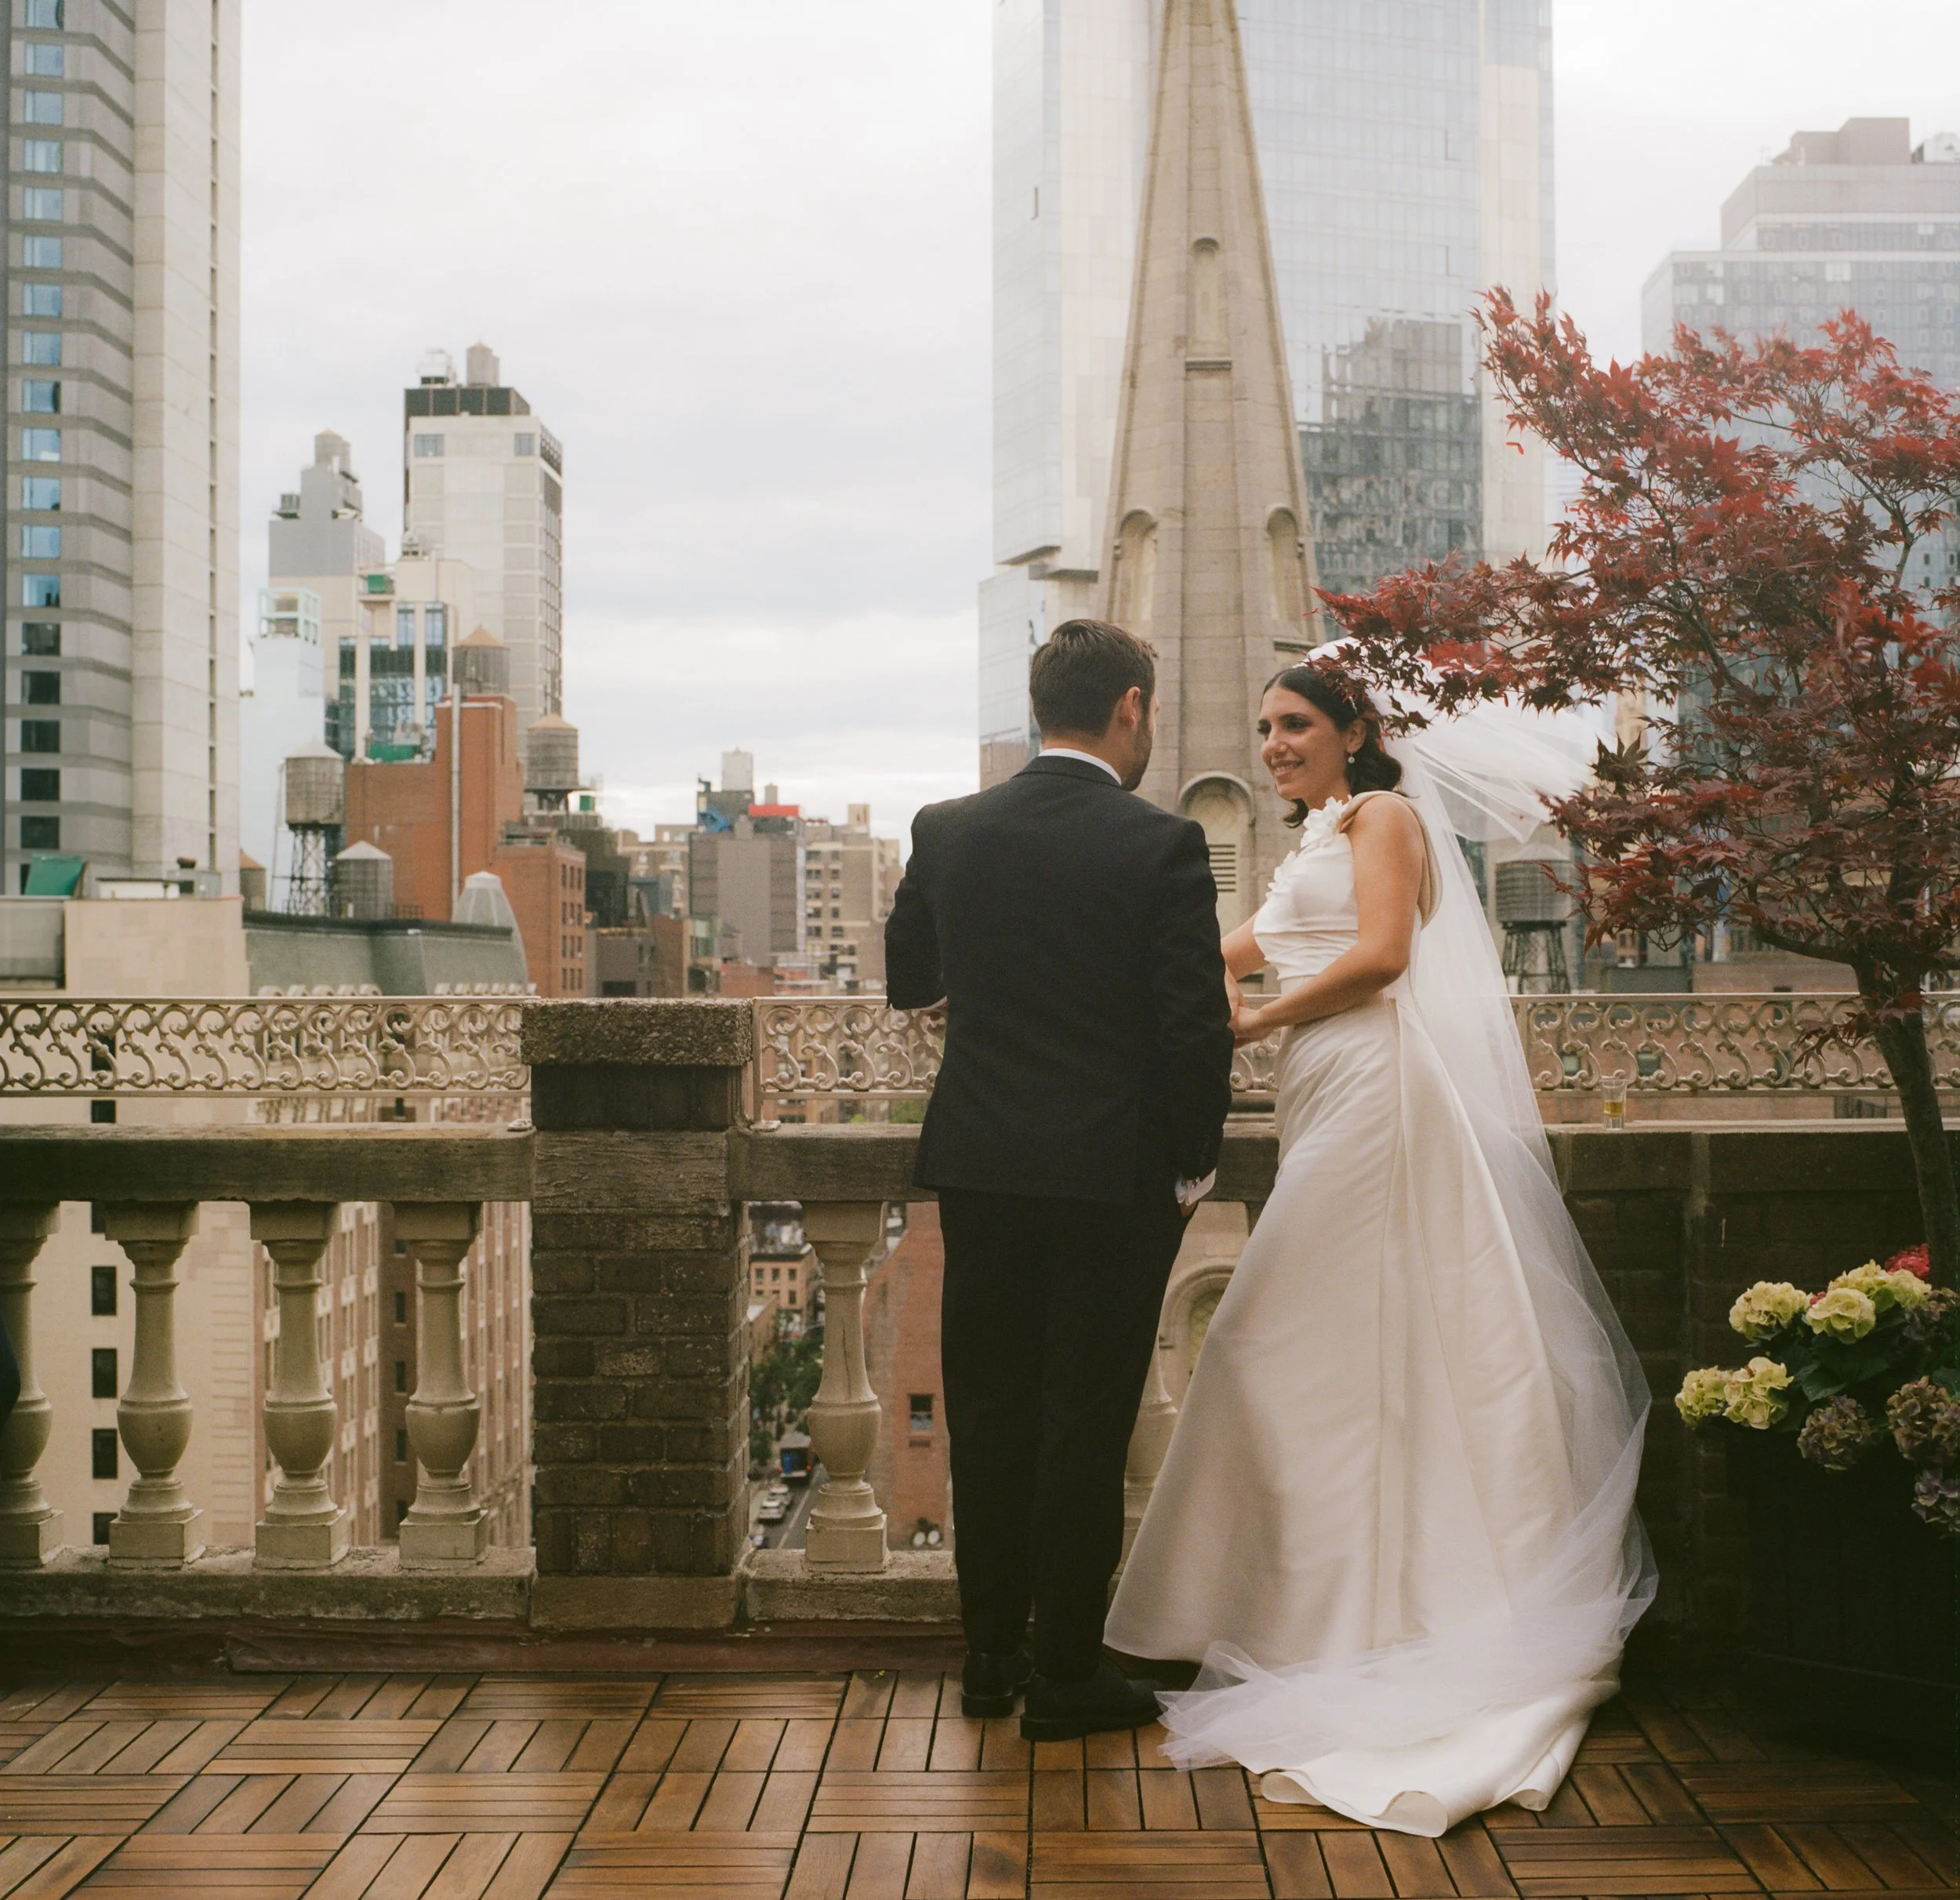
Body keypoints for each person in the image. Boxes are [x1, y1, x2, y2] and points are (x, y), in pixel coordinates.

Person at [1106, 658, 1654, 1836]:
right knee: (1348, 1352)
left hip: (1378, 1094)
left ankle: (1360, 1622)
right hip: (1326, 1094)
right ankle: (1326, 1615)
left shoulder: (1384, 815)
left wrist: (1256, 1020)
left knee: (1261, 1335)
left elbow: (1383, 956)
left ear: (1353, 730)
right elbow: (1233, 949)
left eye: (1296, 723)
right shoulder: (1310, 841)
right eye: (1262, 728)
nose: (1274, 744)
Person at [885, 618, 1235, 1742]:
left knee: (988, 1410)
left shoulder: (947, 829)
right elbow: (1195, 1034)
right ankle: (1069, 1673)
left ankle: (990, 1660)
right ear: (1130, 705)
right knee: (1084, 1422)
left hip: (981, 1166)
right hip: (1109, 1175)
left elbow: (908, 979)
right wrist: (1191, 1161)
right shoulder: (1163, 845)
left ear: (1041, 706)